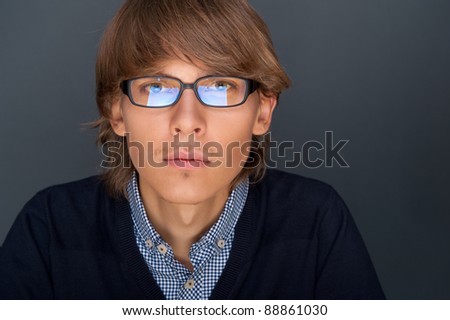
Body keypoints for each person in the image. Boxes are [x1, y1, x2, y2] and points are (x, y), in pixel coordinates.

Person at [0, 0, 384, 299]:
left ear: (262, 111)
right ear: (117, 112)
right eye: (156, 87)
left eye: (219, 87)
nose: (187, 120)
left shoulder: (316, 223)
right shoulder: (48, 231)